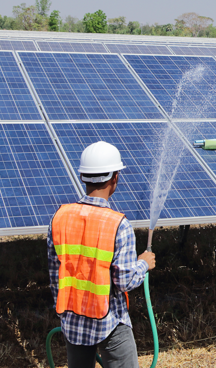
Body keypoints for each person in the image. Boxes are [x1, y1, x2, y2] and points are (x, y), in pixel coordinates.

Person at [47, 141, 156, 368]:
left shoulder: (59, 218)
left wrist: (66, 316)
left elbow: (55, 275)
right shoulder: (118, 224)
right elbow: (125, 281)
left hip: (72, 320)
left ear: (82, 177)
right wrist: (143, 265)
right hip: (110, 322)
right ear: (115, 178)